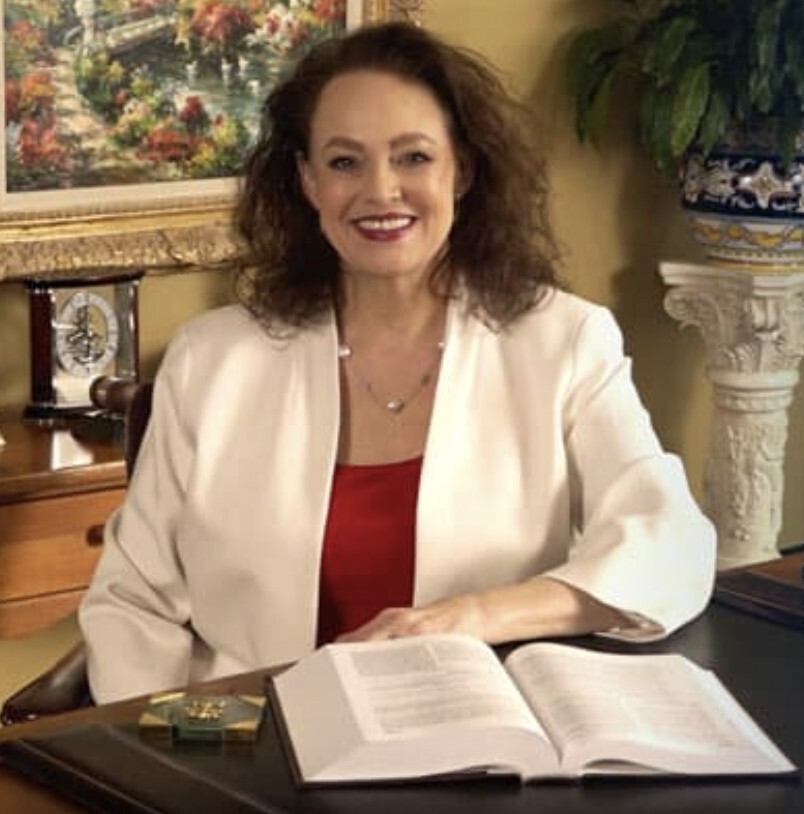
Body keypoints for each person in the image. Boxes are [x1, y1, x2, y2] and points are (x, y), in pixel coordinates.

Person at [79, 22, 716, 703]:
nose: (381, 192)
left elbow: (671, 546)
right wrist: (172, 758)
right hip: (255, 748)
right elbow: (130, 603)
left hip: (479, 745)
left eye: (413, 157)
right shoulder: (212, 360)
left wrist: (465, 618)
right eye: (345, 162)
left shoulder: (565, 341)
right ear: (306, 180)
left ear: (462, 170)